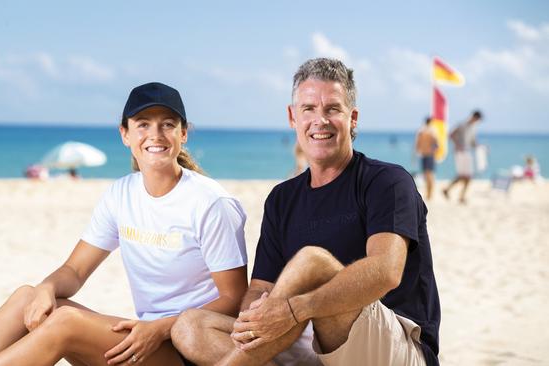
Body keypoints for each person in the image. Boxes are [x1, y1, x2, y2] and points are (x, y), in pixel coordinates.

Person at [0, 82, 249, 366]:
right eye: (143, 124)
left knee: (66, 323)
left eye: (167, 124)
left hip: (189, 349)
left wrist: (160, 328)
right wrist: (47, 287)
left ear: (183, 134)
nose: (155, 134)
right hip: (143, 339)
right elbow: (74, 271)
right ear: (125, 134)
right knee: (29, 296)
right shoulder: (121, 194)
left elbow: (233, 301)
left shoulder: (210, 203)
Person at [171, 58, 441, 366]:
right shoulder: (282, 199)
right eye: (309, 109)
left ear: (352, 118)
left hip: (392, 347)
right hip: (307, 341)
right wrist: (255, 318)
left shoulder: (387, 182)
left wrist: (296, 309)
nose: (320, 120)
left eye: (332, 109)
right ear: (292, 117)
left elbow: (386, 270)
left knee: (312, 263)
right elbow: (261, 287)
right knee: (190, 326)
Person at [442, 110, 483, 204]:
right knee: (465, 176)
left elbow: (472, 142)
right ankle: (460, 196)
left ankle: (450, 191)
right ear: (474, 117)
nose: (477, 122)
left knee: (466, 176)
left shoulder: (474, 127)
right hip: (460, 152)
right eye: (477, 119)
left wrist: (481, 147)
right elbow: (450, 134)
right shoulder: (462, 124)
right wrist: (457, 145)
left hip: (467, 152)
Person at [415, 116, 439, 200]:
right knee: (429, 175)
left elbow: (417, 145)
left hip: (424, 154)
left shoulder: (422, 131)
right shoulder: (431, 131)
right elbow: (436, 144)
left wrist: (417, 154)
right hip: (428, 154)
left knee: (428, 175)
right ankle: (429, 194)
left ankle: (429, 194)